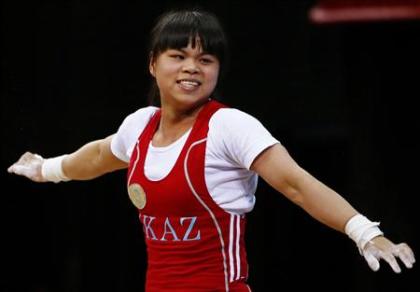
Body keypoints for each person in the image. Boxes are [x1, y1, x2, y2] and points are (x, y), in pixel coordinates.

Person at [7, 8, 415, 292]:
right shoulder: (139, 127)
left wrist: (365, 232)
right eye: (178, 56)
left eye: (205, 59)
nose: (192, 67)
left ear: (218, 70)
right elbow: (96, 157)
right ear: (153, 63)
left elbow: (297, 185)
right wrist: (47, 169)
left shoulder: (228, 127)